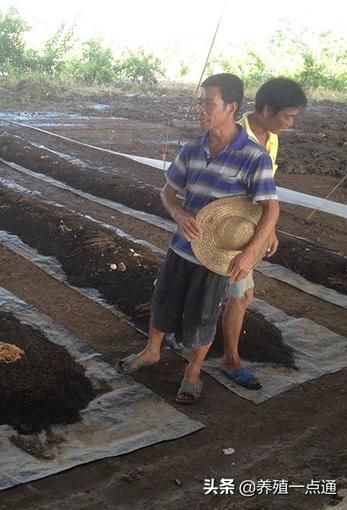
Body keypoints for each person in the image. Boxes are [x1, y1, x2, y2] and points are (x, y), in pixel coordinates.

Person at [117, 73, 279, 404]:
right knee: (163, 303)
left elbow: (271, 211)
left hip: (218, 256)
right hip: (181, 247)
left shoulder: (253, 156)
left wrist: (249, 255)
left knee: (203, 316)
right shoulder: (192, 149)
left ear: (230, 107)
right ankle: (152, 351)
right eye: (200, 103)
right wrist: (179, 215)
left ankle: (193, 372)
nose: (200, 110)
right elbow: (167, 192)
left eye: (208, 104)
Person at [219, 78, 306, 389]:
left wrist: (268, 228)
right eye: (288, 116)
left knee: (237, 292)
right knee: (240, 294)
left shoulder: (270, 137)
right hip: (225, 228)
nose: (291, 123)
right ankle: (229, 359)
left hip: (249, 228)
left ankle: (185, 335)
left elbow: (267, 192)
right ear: (267, 109)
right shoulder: (234, 137)